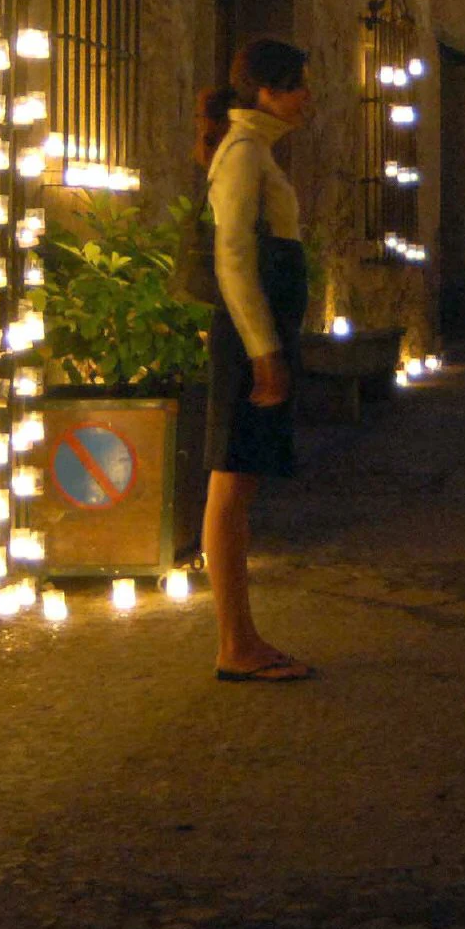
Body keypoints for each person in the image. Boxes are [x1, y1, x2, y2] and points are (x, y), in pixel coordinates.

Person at [204, 38, 314, 683]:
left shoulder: (254, 151)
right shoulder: (243, 155)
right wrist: (264, 352)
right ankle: (235, 644)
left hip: (259, 336)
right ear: (267, 91)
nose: (308, 97)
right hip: (250, 340)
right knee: (231, 486)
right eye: (299, 84)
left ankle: (240, 639)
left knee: (236, 485)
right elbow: (234, 260)